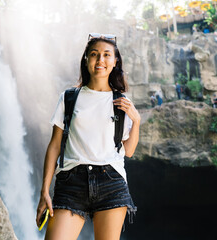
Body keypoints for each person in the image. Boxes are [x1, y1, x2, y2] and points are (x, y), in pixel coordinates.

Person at [36, 33, 139, 240]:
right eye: (94, 54)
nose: (100, 60)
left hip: (111, 182)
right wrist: (44, 191)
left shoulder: (121, 102)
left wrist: (136, 121)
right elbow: (55, 145)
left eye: (106, 55)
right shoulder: (70, 97)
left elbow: (128, 151)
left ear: (115, 61)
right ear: (86, 59)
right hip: (71, 182)